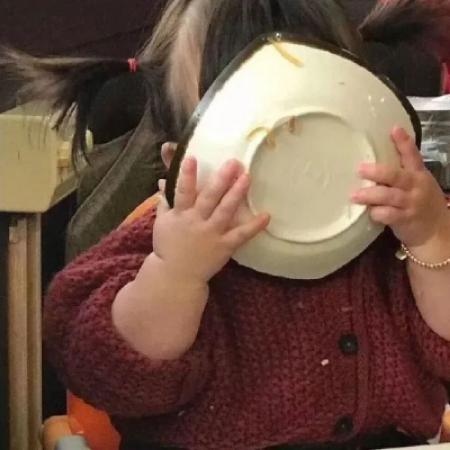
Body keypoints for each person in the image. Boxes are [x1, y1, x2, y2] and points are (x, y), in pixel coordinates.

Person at [3, 1, 450, 449]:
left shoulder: (390, 237)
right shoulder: (156, 249)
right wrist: (176, 274)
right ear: (177, 163)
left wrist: (431, 237)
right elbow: (106, 371)